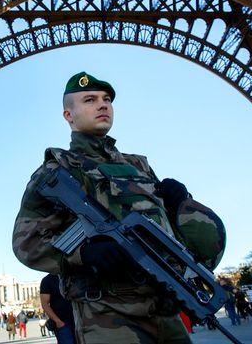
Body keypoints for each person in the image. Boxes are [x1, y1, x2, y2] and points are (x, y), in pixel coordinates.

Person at [12, 72, 226, 343]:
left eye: (107, 99)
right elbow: (27, 244)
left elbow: (165, 232)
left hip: (164, 305)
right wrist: (84, 253)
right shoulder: (56, 170)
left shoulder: (139, 166)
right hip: (106, 313)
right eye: (90, 100)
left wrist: (179, 204)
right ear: (68, 115)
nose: (103, 105)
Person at [40, 274, 76, 343]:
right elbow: (44, 304)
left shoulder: (74, 275)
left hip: (80, 321)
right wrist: (58, 321)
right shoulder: (47, 280)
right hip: (63, 323)